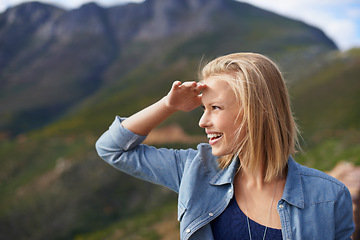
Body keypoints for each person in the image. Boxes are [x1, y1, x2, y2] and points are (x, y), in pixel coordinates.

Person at [95, 52, 354, 240]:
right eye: (203, 109)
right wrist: (168, 105)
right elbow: (112, 149)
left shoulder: (329, 197)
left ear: (256, 111)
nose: (202, 121)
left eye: (215, 108)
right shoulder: (194, 172)